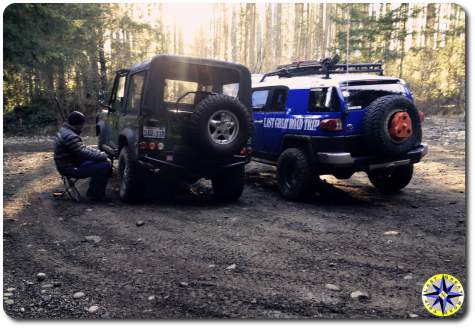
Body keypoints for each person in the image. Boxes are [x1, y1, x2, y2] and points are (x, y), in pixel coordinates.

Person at [54, 111, 112, 201]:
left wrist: (99, 153)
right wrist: (102, 155)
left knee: (103, 161)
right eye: (82, 124)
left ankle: (94, 191)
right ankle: (95, 195)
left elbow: (83, 148)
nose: (83, 127)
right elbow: (83, 153)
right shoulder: (70, 136)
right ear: (78, 124)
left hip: (69, 163)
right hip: (70, 168)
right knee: (105, 165)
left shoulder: (65, 131)